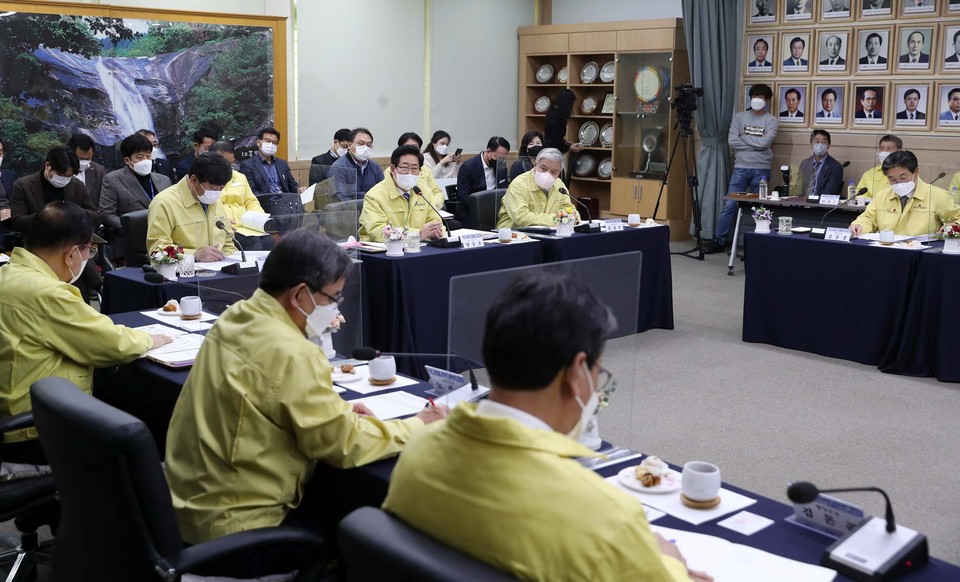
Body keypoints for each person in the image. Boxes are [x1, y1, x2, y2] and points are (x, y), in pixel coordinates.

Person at [383, 273, 709, 582]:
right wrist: (670, 562)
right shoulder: (602, 515)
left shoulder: (418, 452)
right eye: (597, 371)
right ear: (577, 371)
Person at [164, 228, 447, 544]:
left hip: (186, 509)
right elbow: (343, 445)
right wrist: (418, 426)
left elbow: (265, 400)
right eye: (333, 297)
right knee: (363, 537)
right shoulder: (294, 352)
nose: (336, 307)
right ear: (299, 295)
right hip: (240, 529)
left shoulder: (236, 317)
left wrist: (334, 410)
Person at [0, 201, 170, 416]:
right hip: (42, 420)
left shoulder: (8, 274)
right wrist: (151, 339)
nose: (88, 258)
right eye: (89, 251)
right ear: (71, 254)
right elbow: (109, 344)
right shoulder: (49, 293)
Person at [708, 83, 778, 253]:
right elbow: (732, 141)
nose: (757, 100)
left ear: (767, 100)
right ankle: (719, 240)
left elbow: (765, 143)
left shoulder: (772, 120)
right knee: (730, 205)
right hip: (740, 168)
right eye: (755, 96)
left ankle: (757, 240)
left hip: (761, 169)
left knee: (758, 208)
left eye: (761, 97)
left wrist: (744, 137)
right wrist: (755, 143)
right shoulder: (739, 117)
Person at [146, 152, 238, 262]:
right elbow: (157, 251)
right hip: (182, 274)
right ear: (194, 180)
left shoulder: (213, 198)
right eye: (214, 188)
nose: (217, 193)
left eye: (221, 188)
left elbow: (228, 243)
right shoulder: (164, 203)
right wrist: (194, 255)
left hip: (217, 271)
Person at [850, 151, 960, 237]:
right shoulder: (882, 195)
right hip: (887, 248)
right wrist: (859, 225)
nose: (898, 183)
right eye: (892, 179)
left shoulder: (937, 195)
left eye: (903, 178)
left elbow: (957, 218)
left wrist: (953, 226)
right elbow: (869, 218)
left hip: (922, 252)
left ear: (916, 172)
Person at [99, 133, 173, 253]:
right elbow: (106, 214)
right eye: (139, 157)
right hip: (130, 243)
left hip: (164, 242)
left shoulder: (164, 180)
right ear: (127, 160)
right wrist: (133, 227)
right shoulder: (112, 179)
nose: (145, 160)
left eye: (148, 156)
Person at [357, 145, 445, 242]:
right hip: (383, 251)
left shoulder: (424, 192)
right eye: (404, 167)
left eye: (415, 168)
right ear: (392, 168)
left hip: (418, 247)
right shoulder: (374, 195)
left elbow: (435, 221)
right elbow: (378, 231)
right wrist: (417, 234)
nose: (409, 173)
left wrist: (435, 231)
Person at [209, 140, 273, 251]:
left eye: (231, 164)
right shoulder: (206, 180)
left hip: (247, 225)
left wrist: (258, 218)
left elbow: (251, 201)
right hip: (226, 228)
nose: (228, 168)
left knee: (271, 242)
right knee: (254, 244)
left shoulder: (239, 177)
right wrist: (220, 220)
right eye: (224, 163)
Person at [497, 148, 577, 229]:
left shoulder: (559, 185)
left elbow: (570, 210)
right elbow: (521, 218)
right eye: (543, 169)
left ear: (559, 173)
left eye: (553, 172)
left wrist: (574, 216)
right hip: (514, 234)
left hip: (549, 233)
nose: (547, 175)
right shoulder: (519, 184)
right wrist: (558, 219)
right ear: (535, 165)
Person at [239, 127, 300, 195]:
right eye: (267, 141)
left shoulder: (282, 163)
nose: (271, 145)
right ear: (259, 143)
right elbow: (251, 191)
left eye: (274, 142)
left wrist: (299, 189)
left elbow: (292, 184)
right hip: (263, 203)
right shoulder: (248, 165)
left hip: (284, 201)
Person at [329, 127, 384, 201]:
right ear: (349, 145)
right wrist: (369, 196)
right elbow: (341, 198)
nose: (365, 148)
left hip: (374, 210)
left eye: (368, 145)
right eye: (361, 144)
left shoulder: (375, 166)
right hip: (350, 211)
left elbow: (383, 193)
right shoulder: (338, 167)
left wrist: (357, 195)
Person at [397, 132, 445, 209]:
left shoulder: (426, 170)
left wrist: (434, 205)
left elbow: (437, 193)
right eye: (407, 147)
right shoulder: (392, 171)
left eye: (415, 147)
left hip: (430, 209)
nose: (411, 151)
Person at [799, 130, 844, 198]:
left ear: (828, 146)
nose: (820, 145)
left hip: (820, 205)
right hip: (801, 204)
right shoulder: (804, 164)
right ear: (811, 144)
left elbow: (830, 192)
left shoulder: (835, 167)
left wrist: (813, 200)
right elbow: (798, 188)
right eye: (817, 142)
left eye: (823, 142)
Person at [67, 134, 106, 209]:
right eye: (80, 158)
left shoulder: (99, 171)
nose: (84, 162)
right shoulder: (61, 170)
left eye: (88, 158)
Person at [544, 89, 583, 158]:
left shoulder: (554, 113)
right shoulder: (555, 117)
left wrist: (566, 143)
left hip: (552, 150)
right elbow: (554, 140)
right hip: (552, 153)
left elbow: (556, 137)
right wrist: (568, 147)